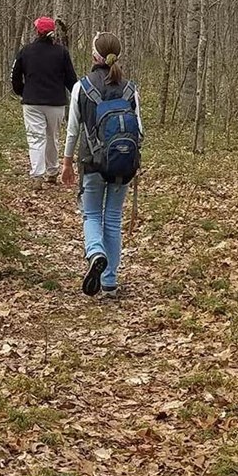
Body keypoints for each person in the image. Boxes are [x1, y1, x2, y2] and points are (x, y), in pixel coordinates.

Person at [61, 32, 141, 299]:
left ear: (95, 55)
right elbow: (139, 131)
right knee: (113, 219)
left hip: (92, 162)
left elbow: (73, 130)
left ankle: (95, 253)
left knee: (92, 215)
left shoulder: (81, 87)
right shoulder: (130, 89)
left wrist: (67, 163)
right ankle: (109, 282)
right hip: (122, 164)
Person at [11, 16, 77, 182]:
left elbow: (15, 76)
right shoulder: (61, 52)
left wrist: (22, 92)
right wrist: (77, 96)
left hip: (32, 102)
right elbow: (71, 79)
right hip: (55, 102)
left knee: (35, 138)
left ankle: (37, 174)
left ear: (37, 31)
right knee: (52, 137)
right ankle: (52, 170)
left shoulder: (26, 51)